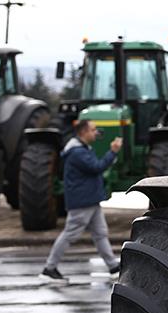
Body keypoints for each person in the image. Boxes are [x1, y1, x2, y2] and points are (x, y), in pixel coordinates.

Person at [39, 120, 123, 283]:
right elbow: (96, 167)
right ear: (83, 132)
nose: (96, 133)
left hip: (89, 199)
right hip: (83, 201)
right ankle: (49, 269)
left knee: (100, 234)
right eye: (93, 130)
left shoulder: (81, 149)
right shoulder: (78, 152)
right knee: (70, 234)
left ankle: (113, 267)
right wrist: (112, 152)